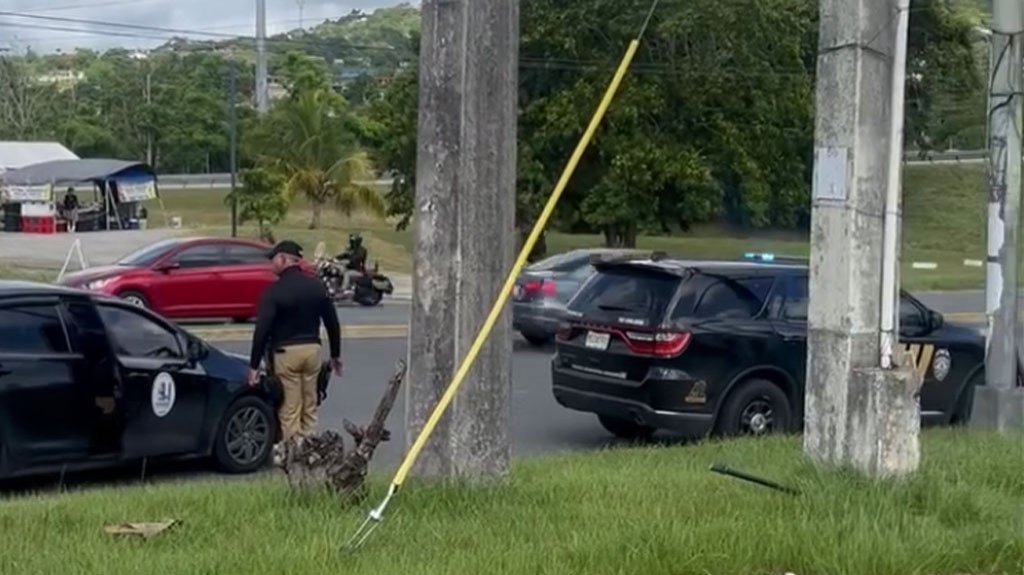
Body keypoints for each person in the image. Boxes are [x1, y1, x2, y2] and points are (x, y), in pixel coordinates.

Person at [248, 240, 342, 442]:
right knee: (310, 404)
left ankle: (294, 452)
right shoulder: (317, 286)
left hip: (286, 353)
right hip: (312, 351)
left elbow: (262, 329)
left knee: (290, 408)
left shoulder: (273, 292)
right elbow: (332, 322)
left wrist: (254, 366)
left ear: (283, 259)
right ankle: (311, 447)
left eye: (273, 260)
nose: (271, 265)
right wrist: (335, 355)